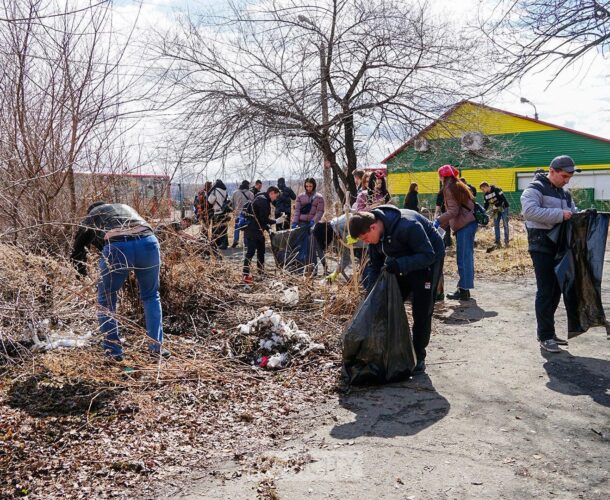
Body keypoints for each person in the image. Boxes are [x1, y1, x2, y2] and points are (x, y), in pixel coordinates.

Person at [349, 206, 445, 373]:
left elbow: (428, 255)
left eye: (365, 238)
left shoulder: (407, 225)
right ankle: (395, 350)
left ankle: (419, 355)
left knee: (421, 309)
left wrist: (400, 265)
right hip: (403, 257)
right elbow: (375, 265)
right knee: (388, 302)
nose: (366, 242)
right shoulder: (375, 236)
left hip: (429, 257)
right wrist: (371, 293)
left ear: (373, 227)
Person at [70, 202, 167, 361]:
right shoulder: (125, 207)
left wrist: (80, 273)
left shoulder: (93, 215)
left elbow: (78, 249)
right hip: (149, 241)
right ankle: (157, 348)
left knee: (106, 300)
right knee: (151, 296)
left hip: (118, 247)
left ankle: (113, 353)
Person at [521, 155, 580, 353]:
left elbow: (571, 213)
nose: (567, 180)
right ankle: (545, 336)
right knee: (546, 291)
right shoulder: (534, 189)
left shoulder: (565, 194)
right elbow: (529, 212)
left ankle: (550, 332)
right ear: (552, 171)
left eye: (569, 177)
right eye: (564, 176)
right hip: (541, 246)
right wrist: (560, 215)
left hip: (560, 248)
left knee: (556, 291)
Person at [436, 164, 477, 301]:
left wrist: (438, 220)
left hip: (465, 225)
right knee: (466, 257)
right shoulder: (458, 185)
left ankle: (464, 291)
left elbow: (453, 211)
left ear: (443, 176)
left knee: (463, 258)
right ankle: (464, 289)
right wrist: (443, 224)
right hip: (468, 223)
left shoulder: (449, 188)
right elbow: (456, 210)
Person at [243, 186, 284, 283]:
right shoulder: (263, 201)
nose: (275, 199)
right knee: (251, 252)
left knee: (261, 251)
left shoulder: (261, 196)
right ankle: (245, 273)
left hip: (257, 230)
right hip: (253, 230)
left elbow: (260, 218)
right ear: (272, 193)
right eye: (276, 196)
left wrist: (268, 228)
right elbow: (263, 219)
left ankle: (260, 272)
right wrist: (276, 221)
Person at [480, 181, 510, 247]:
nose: (482, 191)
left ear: (486, 187)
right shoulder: (486, 195)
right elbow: (486, 205)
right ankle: (497, 242)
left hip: (504, 208)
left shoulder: (497, 190)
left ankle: (506, 241)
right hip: (496, 210)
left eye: (483, 189)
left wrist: (496, 206)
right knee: (496, 225)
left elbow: (503, 199)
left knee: (505, 224)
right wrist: (483, 211)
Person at [207, 179, 230, 250]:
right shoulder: (225, 190)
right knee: (224, 229)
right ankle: (224, 243)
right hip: (224, 212)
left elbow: (210, 201)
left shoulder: (214, 190)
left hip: (217, 212)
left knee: (215, 228)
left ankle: (216, 243)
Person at [231, 180, 254, 248]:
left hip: (238, 213)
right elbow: (252, 204)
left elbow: (232, 204)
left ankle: (236, 240)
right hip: (246, 214)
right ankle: (246, 243)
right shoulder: (250, 193)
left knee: (237, 228)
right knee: (246, 228)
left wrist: (234, 212)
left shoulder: (235, 193)